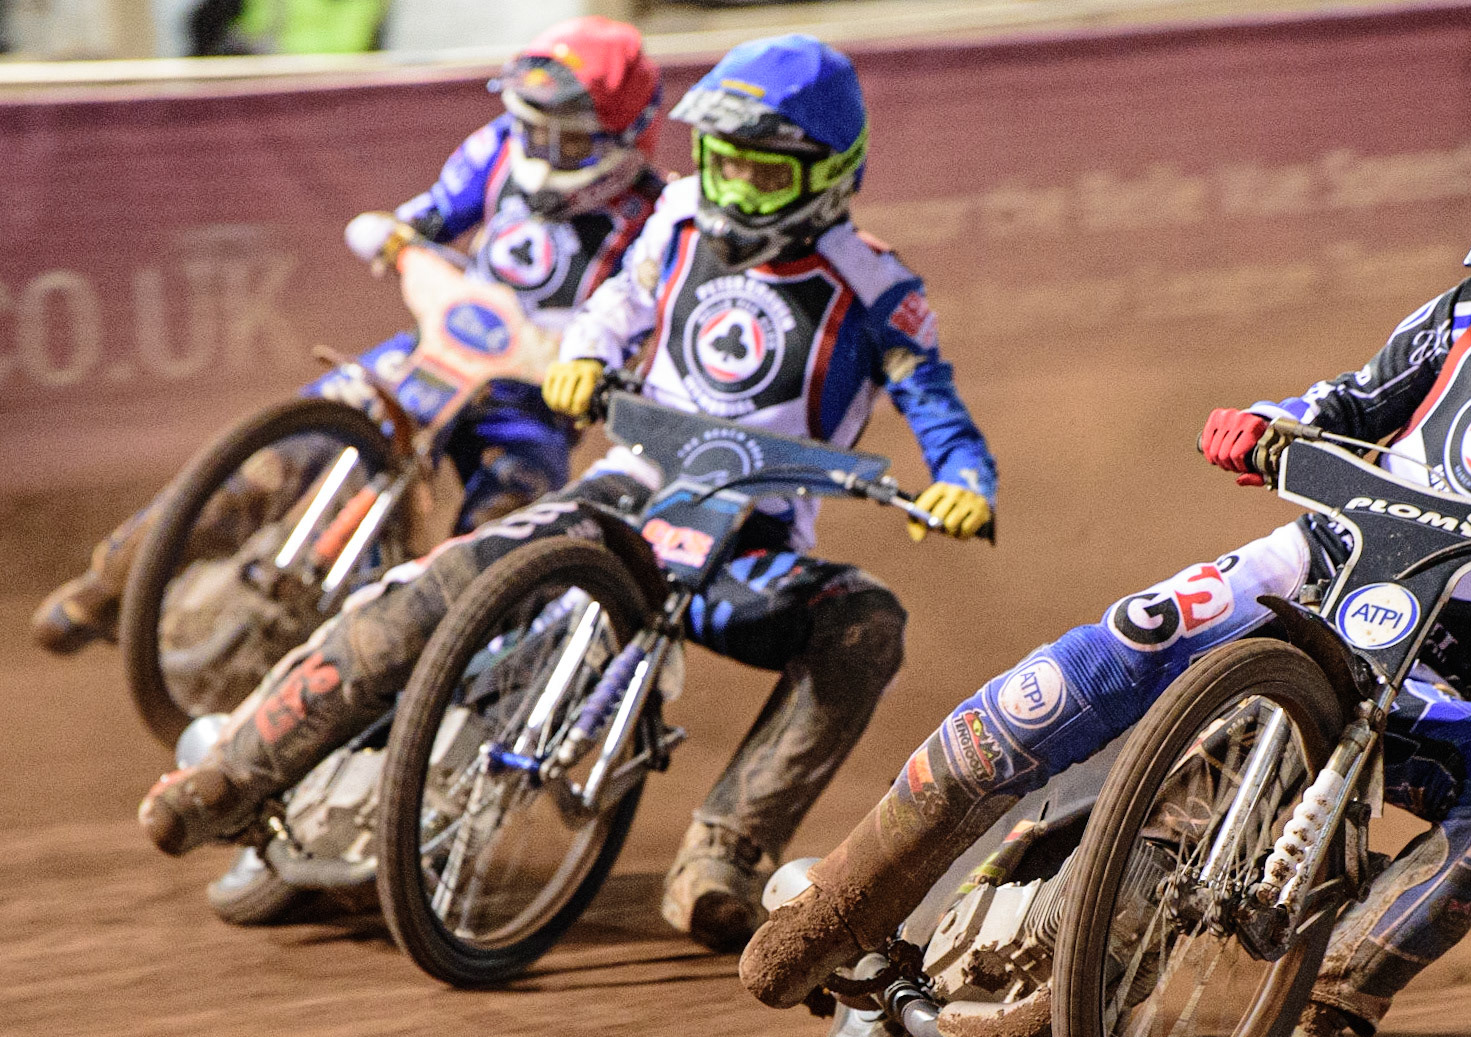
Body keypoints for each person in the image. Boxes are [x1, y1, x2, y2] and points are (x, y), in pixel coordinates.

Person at [738, 137, 1471, 1037]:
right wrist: (1266, 421)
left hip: (1424, 674)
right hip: (1305, 563)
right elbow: (1346, 403)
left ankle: (1323, 1008)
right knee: (1112, 647)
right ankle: (846, 895)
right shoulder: (1462, 319)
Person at [137, 34, 1000, 954]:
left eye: (763, 174)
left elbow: (933, 402)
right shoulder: (678, 215)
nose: (734, 189)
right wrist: (586, 354)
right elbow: (619, 302)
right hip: (625, 494)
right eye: (722, 162)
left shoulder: (878, 289)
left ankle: (726, 853)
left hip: (749, 551)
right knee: (441, 584)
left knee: (864, 623)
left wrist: (964, 481)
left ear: (829, 175)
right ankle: (231, 774)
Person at [30, 16, 667, 656]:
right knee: (271, 458)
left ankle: (442, 685)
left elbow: (648, 328)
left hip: (533, 405)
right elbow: (429, 217)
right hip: (435, 355)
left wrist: (606, 374)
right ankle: (111, 583)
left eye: (565, 139)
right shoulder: (498, 147)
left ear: (625, 138)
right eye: (531, 126)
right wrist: (396, 235)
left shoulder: (656, 219)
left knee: (501, 549)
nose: (539, 148)